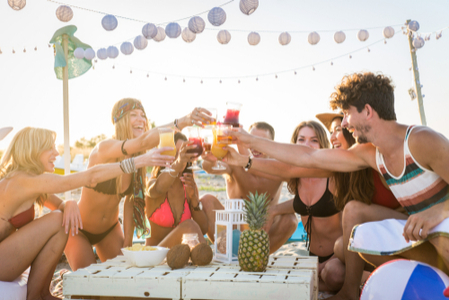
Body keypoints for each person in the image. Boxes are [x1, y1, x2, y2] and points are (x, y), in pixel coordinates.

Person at [226, 72, 449, 300]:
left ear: (368, 112)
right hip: (428, 240)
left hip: (441, 234)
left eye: (346, 114)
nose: (343, 124)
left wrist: (435, 212)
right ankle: (349, 292)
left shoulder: (420, 140)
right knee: (354, 224)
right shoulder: (371, 154)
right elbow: (306, 159)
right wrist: (248, 151)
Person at [0, 127, 173, 300]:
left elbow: (56, 202)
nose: (56, 153)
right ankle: (38, 295)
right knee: (57, 220)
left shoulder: (27, 180)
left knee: (60, 217)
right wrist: (138, 162)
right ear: (33, 150)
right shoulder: (22, 181)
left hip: (6, 258)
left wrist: (68, 203)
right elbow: (91, 177)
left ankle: (43, 293)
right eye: (49, 148)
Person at [64, 98, 214, 271]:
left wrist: (128, 240)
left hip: (110, 230)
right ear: (119, 120)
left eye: (143, 115)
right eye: (133, 115)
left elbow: (130, 200)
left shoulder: (137, 158)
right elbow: (145, 141)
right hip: (80, 228)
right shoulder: (104, 148)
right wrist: (182, 122)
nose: (141, 120)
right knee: (87, 287)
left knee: (122, 282)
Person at [224, 121, 344, 291]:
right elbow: (263, 170)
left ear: (323, 144)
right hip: (313, 257)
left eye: (314, 140)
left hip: (338, 257)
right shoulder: (295, 176)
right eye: (301, 140)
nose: (306, 145)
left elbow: (351, 221)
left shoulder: (334, 175)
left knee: (332, 275)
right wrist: (274, 210)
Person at [201, 122, 297, 254]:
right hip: (232, 232)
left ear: (271, 145)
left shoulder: (279, 169)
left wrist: (274, 210)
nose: (255, 147)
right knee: (207, 201)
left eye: (261, 142)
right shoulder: (235, 162)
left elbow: (305, 197)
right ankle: (225, 252)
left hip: (263, 234)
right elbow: (209, 168)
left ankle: (259, 257)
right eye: (252, 141)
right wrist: (210, 160)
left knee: (291, 220)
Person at [146, 132, 210, 248]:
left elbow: (203, 229)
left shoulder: (189, 186)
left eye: (184, 153)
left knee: (209, 201)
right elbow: (158, 189)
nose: (180, 157)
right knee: (189, 225)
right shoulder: (153, 183)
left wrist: (194, 200)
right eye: (175, 154)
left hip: (179, 258)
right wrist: (179, 161)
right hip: (155, 256)